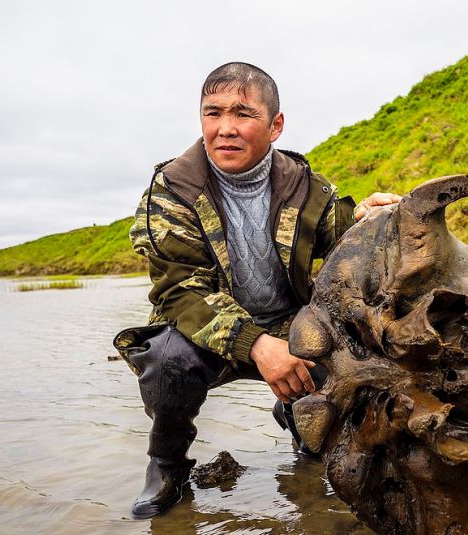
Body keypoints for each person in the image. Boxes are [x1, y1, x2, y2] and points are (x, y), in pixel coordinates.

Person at [113, 62, 401, 519]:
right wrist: (257, 345)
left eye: (243, 113)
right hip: (202, 328)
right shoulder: (171, 191)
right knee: (167, 361)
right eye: (212, 113)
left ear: (275, 125)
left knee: (355, 358)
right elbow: (180, 291)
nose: (225, 128)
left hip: (291, 325)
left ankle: (302, 422)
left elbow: (342, 243)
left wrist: (372, 218)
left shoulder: (305, 186)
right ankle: (166, 464)